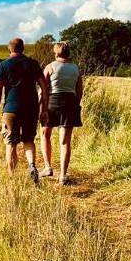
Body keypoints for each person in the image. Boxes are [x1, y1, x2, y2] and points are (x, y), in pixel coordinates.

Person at [0, 37, 48, 182]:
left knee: (11, 143)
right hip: (31, 108)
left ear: (9, 49)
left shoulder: (3, 65)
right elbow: (43, 86)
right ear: (23, 49)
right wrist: (44, 108)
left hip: (11, 109)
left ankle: (12, 177)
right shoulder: (33, 64)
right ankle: (32, 165)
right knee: (29, 140)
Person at [39, 41, 83, 185]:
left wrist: (39, 106)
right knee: (65, 141)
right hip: (69, 103)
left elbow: (43, 88)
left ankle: (47, 167)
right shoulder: (75, 68)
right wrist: (75, 103)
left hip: (52, 102)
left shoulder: (50, 67)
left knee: (45, 134)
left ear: (56, 52)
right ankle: (63, 175)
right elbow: (79, 90)